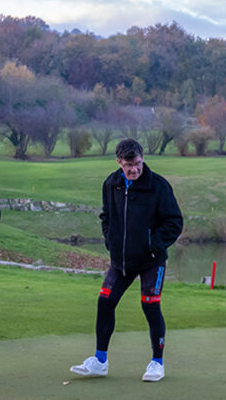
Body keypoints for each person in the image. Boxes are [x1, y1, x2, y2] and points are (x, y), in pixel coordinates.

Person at [70, 138, 183, 382]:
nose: (134, 170)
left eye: (138, 163)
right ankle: (100, 361)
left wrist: (152, 244)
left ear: (143, 158)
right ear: (119, 162)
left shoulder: (159, 186)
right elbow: (106, 216)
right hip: (121, 261)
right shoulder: (112, 184)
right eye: (128, 165)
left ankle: (157, 362)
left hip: (152, 261)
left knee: (150, 306)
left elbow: (174, 223)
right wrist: (111, 241)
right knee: (105, 302)